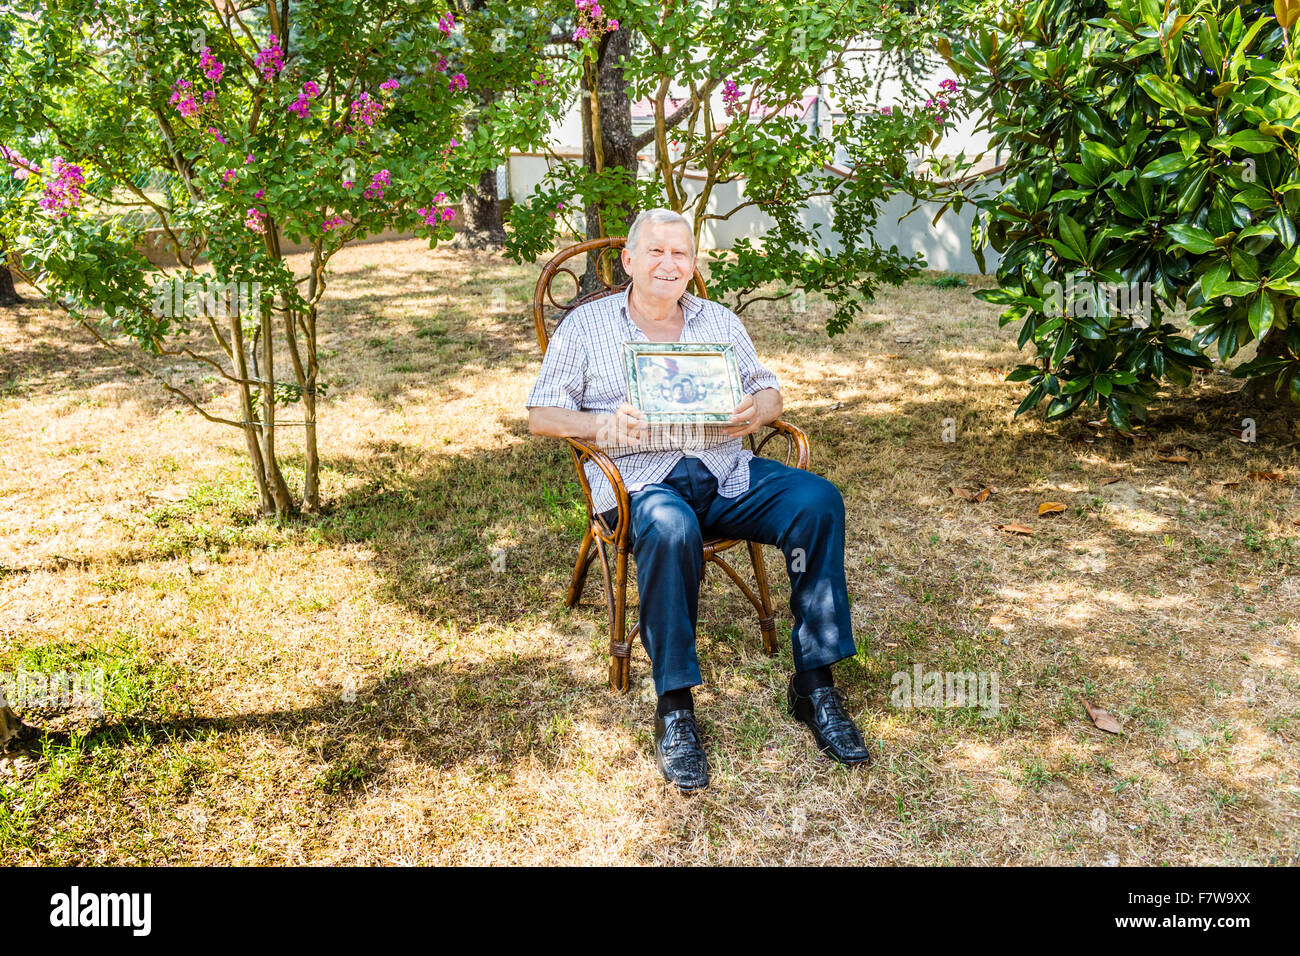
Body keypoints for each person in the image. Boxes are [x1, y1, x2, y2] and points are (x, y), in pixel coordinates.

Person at [526, 208, 870, 792]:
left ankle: (815, 685)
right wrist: (604, 426)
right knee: (670, 527)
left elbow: (770, 391)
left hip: (726, 471)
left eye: (680, 253)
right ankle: (676, 707)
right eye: (655, 252)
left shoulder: (719, 321)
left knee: (818, 501)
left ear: (692, 264)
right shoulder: (586, 327)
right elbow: (540, 415)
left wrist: (755, 413)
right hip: (640, 481)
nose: (669, 264)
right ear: (628, 261)